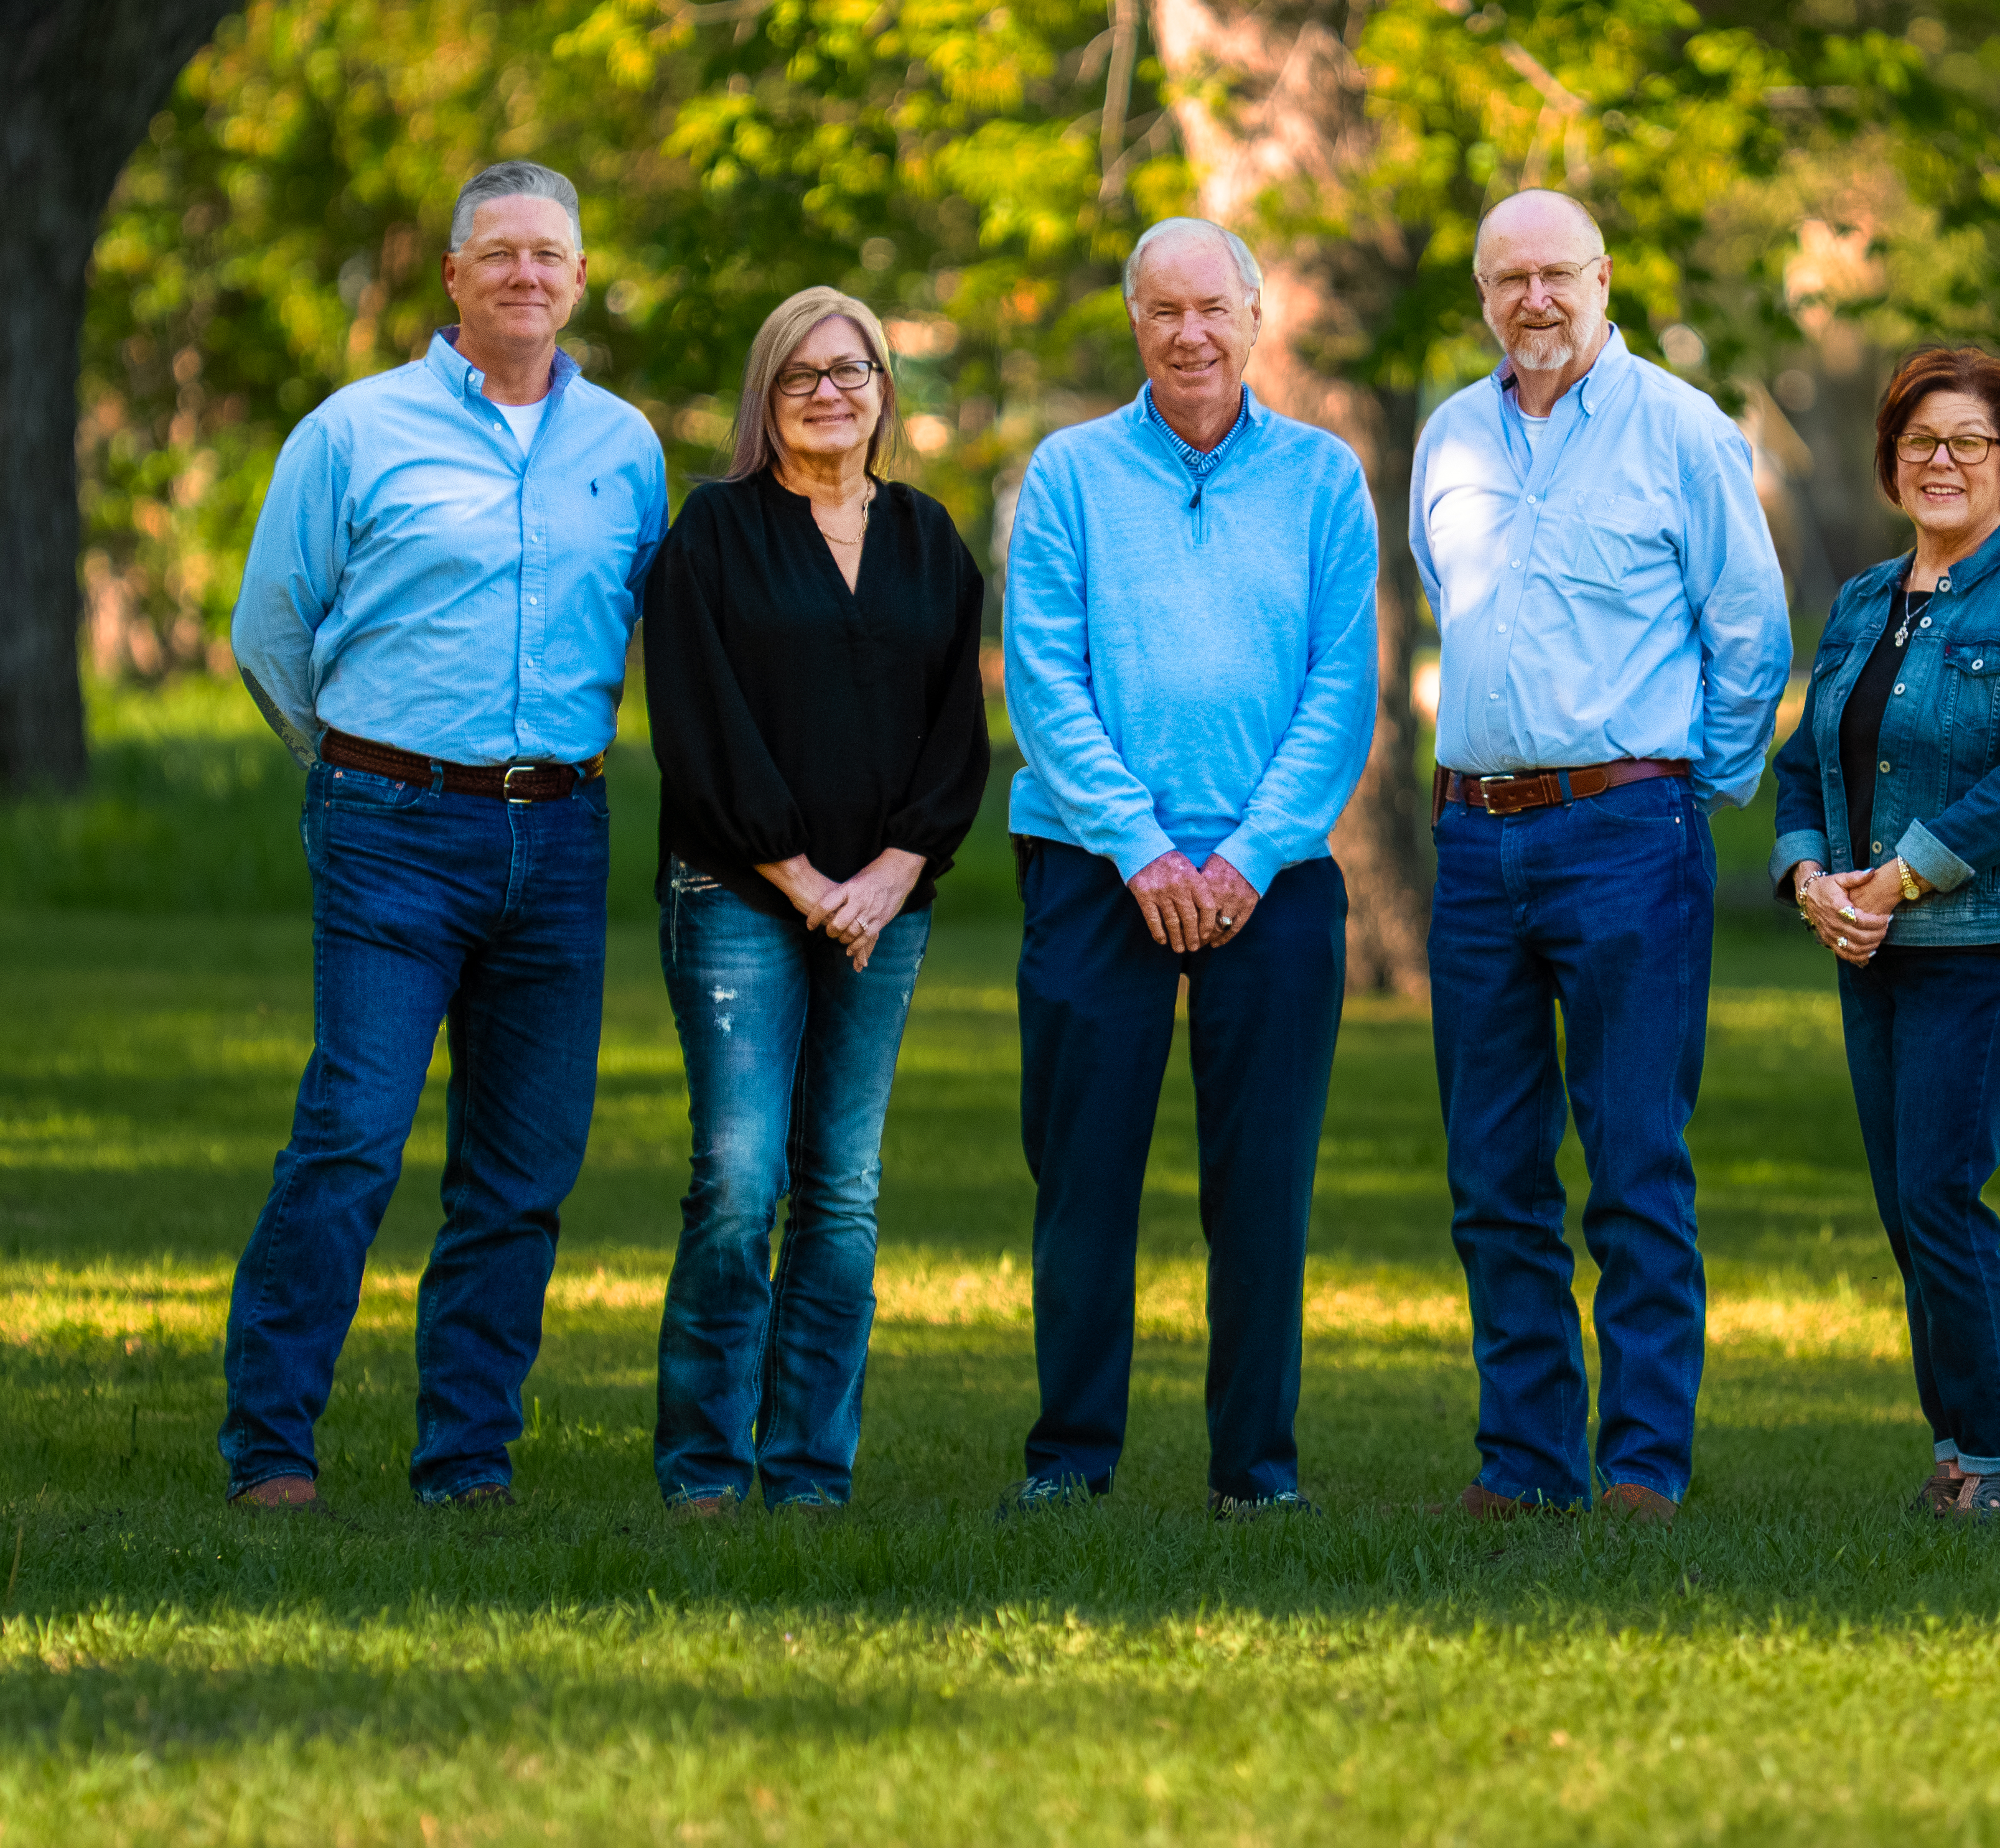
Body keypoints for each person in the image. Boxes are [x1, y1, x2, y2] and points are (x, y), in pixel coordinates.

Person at [220, 161, 669, 1510]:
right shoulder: (356, 430)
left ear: (579, 280)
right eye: (500, 252)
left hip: (562, 832)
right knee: (352, 1136)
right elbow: (270, 629)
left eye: (550, 254)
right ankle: (270, 1444)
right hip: (391, 830)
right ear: (454, 276)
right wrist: (355, 768)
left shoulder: (627, 449)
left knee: (521, 1169)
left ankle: (467, 1457)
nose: (526, 274)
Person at [1408, 189, 1790, 1523]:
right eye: (1507, 277)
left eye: (1556, 273)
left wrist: (1691, 791)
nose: (1535, 299)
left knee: (1633, 1160)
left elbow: (1750, 633)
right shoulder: (1451, 437)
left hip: (1628, 832)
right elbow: (1452, 603)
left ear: (1603, 278)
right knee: (1492, 1171)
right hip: (1474, 838)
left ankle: (1639, 1467)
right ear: (1482, 294)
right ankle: (1523, 1462)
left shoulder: (1682, 431)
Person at [999, 217, 1378, 1517]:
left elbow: (1341, 685)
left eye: (1213, 307)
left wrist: (1252, 852)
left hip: (1274, 879)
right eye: (1164, 310)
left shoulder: (1324, 478)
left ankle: (1254, 1470)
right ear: (1135, 322)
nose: (1190, 333)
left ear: (1257, 315)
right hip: (1093, 866)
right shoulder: (1069, 472)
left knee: (1263, 1184)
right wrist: (1143, 847)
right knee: (1083, 1174)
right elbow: (1044, 680)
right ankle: (1070, 1458)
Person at [639, 287, 991, 1515]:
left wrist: (892, 874)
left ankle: (807, 1471)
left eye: (852, 371)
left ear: (885, 388)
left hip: (885, 909)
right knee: (740, 1180)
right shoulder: (714, 533)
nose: (829, 393)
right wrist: (799, 876)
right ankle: (703, 1468)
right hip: (738, 893)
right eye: (801, 375)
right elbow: (697, 724)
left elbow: (958, 733)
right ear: (767, 396)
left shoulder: (929, 539)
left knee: (842, 1187)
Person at [1770, 347, 2000, 1524]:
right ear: (1890, 460)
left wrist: (1897, 877)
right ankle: (1953, 1454)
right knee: (1902, 1205)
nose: (1942, 461)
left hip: (1983, 940)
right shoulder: (1863, 603)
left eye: (1970, 441)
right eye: (1920, 441)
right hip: (1868, 942)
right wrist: (1809, 876)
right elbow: (1804, 765)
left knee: (1939, 1193)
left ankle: (1997, 1466)